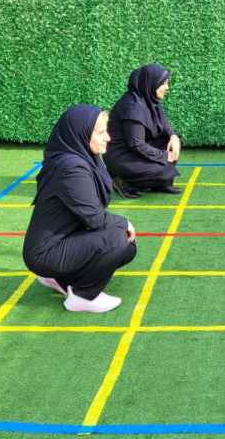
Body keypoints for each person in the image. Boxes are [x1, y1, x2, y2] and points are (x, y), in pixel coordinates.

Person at [23, 105, 137, 313]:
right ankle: (83, 296)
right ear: (81, 135)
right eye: (101, 132)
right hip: (46, 252)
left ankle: (60, 278)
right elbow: (95, 218)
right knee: (117, 238)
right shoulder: (71, 168)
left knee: (127, 247)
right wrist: (123, 222)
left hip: (62, 241)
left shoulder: (81, 158)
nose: (108, 138)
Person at [105, 63, 181, 198]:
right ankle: (123, 181)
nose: (167, 87)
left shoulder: (149, 99)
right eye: (164, 83)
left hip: (133, 151)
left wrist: (173, 137)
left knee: (169, 144)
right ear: (151, 83)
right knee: (164, 169)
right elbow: (136, 145)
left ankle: (158, 183)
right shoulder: (133, 107)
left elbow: (164, 125)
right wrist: (164, 156)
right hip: (121, 156)